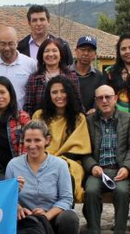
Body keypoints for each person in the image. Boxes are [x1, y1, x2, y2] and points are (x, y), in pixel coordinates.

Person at [82, 84, 130, 234]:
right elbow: (83, 150)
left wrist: (127, 167)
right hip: (98, 170)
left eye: (108, 97)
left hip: (119, 169)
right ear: (95, 101)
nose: (104, 101)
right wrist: (92, 166)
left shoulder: (129, 119)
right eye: (100, 98)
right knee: (91, 190)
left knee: (122, 191)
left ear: (115, 98)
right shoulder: (88, 121)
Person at [5, 120, 80, 234]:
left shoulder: (60, 165)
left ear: (47, 140)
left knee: (70, 218)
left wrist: (46, 216)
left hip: (52, 218)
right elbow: (8, 198)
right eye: (28, 140)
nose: (32, 145)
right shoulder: (13, 165)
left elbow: (66, 199)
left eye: (37, 140)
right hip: (26, 220)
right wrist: (18, 207)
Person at [31, 75, 91, 203]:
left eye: (63, 91)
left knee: (68, 176)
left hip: (69, 162)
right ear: (49, 95)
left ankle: (65, 210)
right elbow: (34, 142)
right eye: (54, 92)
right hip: (42, 160)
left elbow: (79, 147)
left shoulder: (79, 118)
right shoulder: (39, 115)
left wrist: (57, 162)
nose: (59, 96)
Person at [22, 37, 82, 115]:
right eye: (47, 51)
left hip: (68, 120)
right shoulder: (34, 79)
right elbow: (28, 107)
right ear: (41, 55)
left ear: (60, 55)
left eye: (54, 50)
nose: (50, 54)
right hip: (40, 121)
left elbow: (78, 103)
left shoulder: (71, 77)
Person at [0, 26, 36, 103]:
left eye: (11, 44)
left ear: (17, 43)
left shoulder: (30, 64)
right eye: (3, 44)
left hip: (22, 110)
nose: (7, 48)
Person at [73, 35, 107, 112]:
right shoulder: (66, 73)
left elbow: (101, 96)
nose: (86, 53)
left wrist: (95, 108)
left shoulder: (99, 76)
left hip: (92, 117)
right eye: (83, 49)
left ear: (95, 54)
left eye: (90, 50)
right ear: (76, 51)